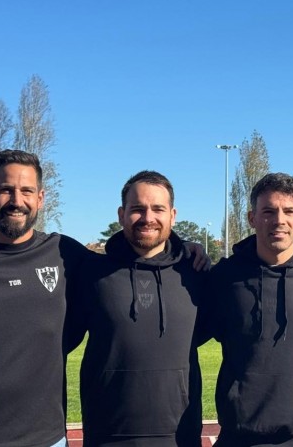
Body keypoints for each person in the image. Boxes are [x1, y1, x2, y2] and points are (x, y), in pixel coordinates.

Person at [65, 170, 213, 446]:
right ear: (121, 214)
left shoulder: (197, 274)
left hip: (180, 436)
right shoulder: (90, 273)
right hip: (107, 436)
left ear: (173, 215)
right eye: (137, 209)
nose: (148, 218)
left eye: (158, 208)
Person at [0, 149, 90, 447]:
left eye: (26, 191)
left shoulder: (65, 253)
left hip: (47, 440)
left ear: (40, 198)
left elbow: (127, 260)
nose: (17, 201)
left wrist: (182, 247)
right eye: (6, 190)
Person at [209, 172, 293, 447]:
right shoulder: (222, 278)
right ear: (252, 218)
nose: (279, 220)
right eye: (268, 211)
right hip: (238, 435)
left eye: (288, 211)